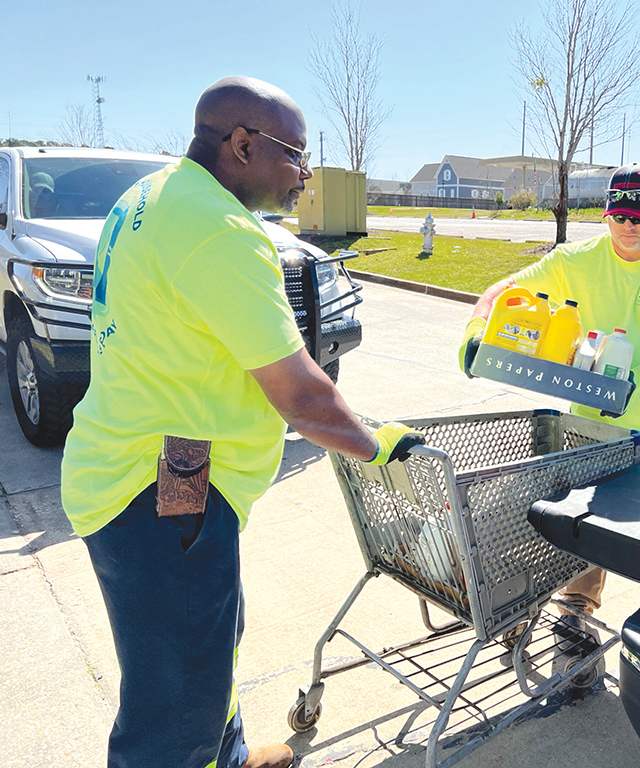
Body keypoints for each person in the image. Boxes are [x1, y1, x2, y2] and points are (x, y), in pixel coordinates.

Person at [61, 76, 422, 768]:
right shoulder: (222, 231)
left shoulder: (149, 197)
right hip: (161, 487)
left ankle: (225, 754)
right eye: (296, 155)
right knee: (173, 710)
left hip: (139, 460)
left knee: (205, 639)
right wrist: (381, 449)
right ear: (243, 144)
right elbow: (302, 396)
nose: (306, 175)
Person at [458, 162, 640, 679]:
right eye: (619, 216)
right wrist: (476, 328)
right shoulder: (576, 259)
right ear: (605, 215)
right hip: (588, 423)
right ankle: (574, 617)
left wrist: (638, 376)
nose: (629, 227)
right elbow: (504, 288)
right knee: (582, 522)